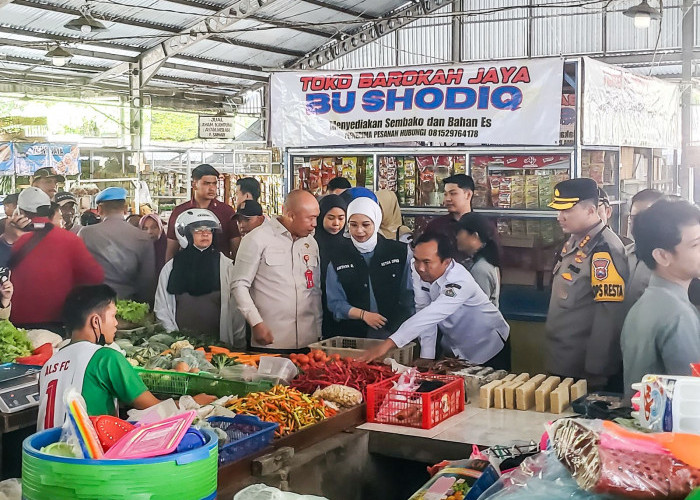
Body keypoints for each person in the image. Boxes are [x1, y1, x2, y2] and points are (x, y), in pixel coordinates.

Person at [37, 285, 215, 431]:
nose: (116, 323)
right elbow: (153, 408)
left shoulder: (48, 364)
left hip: (46, 459)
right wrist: (192, 402)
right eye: (113, 316)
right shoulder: (105, 358)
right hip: (87, 463)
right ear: (96, 321)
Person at [358, 231, 510, 369]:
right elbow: (423, 309)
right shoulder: (418, 269)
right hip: (456, 349)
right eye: (417, 260)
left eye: (427, 262)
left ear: (446, 262)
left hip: (489, 345)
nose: (420, 268)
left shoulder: (459, 281)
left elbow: (432, 314)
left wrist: (387, 344)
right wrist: (427, 356)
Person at [545, 178, 628, 390]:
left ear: (591, 210)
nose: (559, 217)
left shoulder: (603, 250)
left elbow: (609, 316)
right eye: (558, 210)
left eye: (567, 211)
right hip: (562, 359)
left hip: (582, 370)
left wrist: (597, 371)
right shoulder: (574, 239)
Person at [621, 199, 700, 396]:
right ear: (662, 256)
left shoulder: (646, 303)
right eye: (696, 244)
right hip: (671, 426)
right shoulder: (678, 314)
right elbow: (692, 396)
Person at [232, 190, 321, 351]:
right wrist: (256, 323)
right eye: (310, 218)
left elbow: (314, 290)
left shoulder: (311, 243)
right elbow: (239, 286)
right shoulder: (257, 239)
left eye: (316, 217)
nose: (315, 224)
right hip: (271, 341)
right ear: (291, 215)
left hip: (309, 342)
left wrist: (319, 332)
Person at [9, 187, 103, 333]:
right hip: (59, 322)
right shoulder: (70, 240)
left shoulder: (10, 240)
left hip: (15, 325)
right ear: (50, 211)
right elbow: (95, 277)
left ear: (20, 212)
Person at [154, 210, 246, 347]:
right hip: (181, 346)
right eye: (198, 230)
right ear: (186, 234)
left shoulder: (227, 267)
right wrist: (176, 340)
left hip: (219, 346)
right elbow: (162, 308)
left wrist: (237, 344)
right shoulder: (171, 268)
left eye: (209, 230)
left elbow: (236, 311)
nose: (205, 234)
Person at [326, 197, 414, 339]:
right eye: (353, 225)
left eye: (366, 225)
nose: (359, 231)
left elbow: (409, 295)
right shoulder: (338, 257)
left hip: (396, 333)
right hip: (354, 335)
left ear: (376, 222)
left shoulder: (399, 252)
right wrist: (363, 315)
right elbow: (335, 302)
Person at [79, 188, 155, 303]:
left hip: (93, 305)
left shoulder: (85, 233)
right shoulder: (142, 237)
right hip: (128, 305)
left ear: (99, 210)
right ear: (125, 209)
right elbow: (147, 280)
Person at [166, 164, 239, 262]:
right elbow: (171, 249)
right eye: (206, 183)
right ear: (194, 184)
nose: (212, 188)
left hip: (219, 270)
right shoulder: (180, 212)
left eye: (214, 183)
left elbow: (236, 248)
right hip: (187, 270)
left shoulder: (226, 211)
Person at [623, 189, 664, 313]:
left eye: (646, 217)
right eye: (634, 217)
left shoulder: (671, 261)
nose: (639, 223)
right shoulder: (621, 254)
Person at [314, 194, 347, 338]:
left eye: (341, 218)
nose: (336, 224)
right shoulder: (312, 243)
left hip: (342, 307)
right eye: (331, 218)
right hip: (316, 304)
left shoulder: (349, 244)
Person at [424, 174, 475, 265]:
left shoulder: (482, 226)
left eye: (453, 193)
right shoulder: (436, 226)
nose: (447, 199)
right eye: (445, 194)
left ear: (468, 195)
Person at [455, 212, 501, 308]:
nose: (457, 237)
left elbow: (477, 308)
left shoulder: (480, 269)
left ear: (474, 236)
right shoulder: (483, 261)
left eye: (460, 232)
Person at [139, 214, 167, 278]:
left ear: (161, 228)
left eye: (154, 227)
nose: (149, 232)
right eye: (145, 228)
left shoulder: (170, 247)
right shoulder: (137, 249)